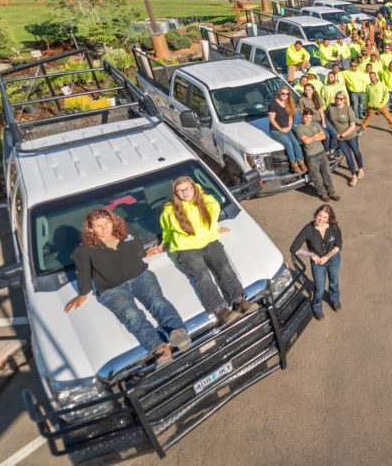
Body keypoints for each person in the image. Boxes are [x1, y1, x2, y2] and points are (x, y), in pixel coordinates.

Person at [66, 209, 189, 366]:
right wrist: (82, 294)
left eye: (107, 223)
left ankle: (178, 331)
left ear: (112, 221)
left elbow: (138, 250)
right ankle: (160, 349)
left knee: (156, 301)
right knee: (131, 315)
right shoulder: (84, 250)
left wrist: (145, 254)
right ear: (90, 228)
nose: (104, 228)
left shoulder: (126, 230)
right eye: (98, 226)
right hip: (112, 288)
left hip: (140, 276)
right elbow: (83, 273)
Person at [159, 177, 256, 325]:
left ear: (194, 187)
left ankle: (239, 301)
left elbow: (212, 216)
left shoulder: (208, 201)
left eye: (187, 189)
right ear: (175, 193)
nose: (184, 193)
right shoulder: (169, 211)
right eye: (180, 191)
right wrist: (165, 242)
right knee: (203, 276)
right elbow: (167, 229)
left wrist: (215, 228)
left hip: (209, 241)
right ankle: (221, 310)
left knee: (224, 268)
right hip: (186, 248)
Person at [290, 205, 342, 321]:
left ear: (329, 219)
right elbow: (294, 248)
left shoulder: (334, 227)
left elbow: (339, 245)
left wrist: (327, 256)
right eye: (319, 215)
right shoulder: (308, 229)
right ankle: (317, 307)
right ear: (316, 214)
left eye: (325, 217)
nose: (321, 219)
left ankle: (334, 299)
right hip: (318, 264)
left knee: (334, 281)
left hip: (333, 260)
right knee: (319, 287)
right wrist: (312, 255)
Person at [295, 108, 339, 201]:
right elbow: (306, 141)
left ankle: (332, 192)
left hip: (321, 152)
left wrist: (312, 138)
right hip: (311, 155)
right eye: (306, 117)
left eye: (310, 117)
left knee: (327, 174)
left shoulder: (315, 124)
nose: (308, 119)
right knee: (316, 176)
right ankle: (323, 194)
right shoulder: (299, 127)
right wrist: (316, 136)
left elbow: (323, 136)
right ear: (302, 116)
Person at [328, 91, 364, 187]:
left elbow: (352, 126)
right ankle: (353, 176)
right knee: (348, 156)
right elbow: (325, 119)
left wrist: (342, 135)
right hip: (340, 138)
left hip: (351, 136)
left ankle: (360, 169)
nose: (338, 100)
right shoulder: (330, 107)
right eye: (337, 98)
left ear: (344, 100)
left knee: (356, 152)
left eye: (341, 99)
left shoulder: (348, 109)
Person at [268, 86, 306, 174]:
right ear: (279, 93)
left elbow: (290, 117)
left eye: (287, 94)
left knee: (295, 142)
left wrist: (289, 127)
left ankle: (301, 162)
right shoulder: (273, 105)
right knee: (288, 143)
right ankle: (294, 165)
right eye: (283, 93)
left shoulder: (288, 104)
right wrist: (281, 129)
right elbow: (272, 120)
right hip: (276, 130)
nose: (285, 95)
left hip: (287, 128)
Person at [360, 71, 392, 136]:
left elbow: (386, 94)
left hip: (382, 106)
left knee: (389, 117)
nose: (372, 77)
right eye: (371, 76)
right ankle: (362, 130)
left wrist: (382, 103)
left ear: (376, 76)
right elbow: (366, 97)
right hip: (372, 107)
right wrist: (366, 106)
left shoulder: (381, 85)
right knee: (366, 119)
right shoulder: (369, 86)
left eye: (373, 76)